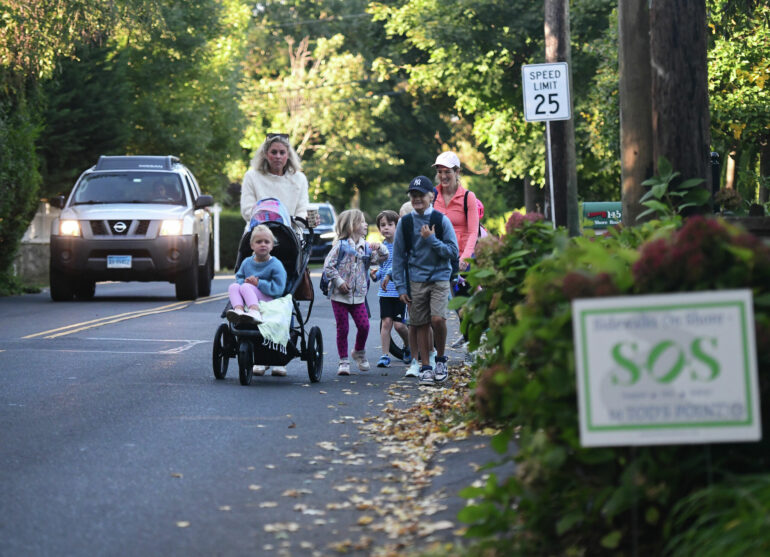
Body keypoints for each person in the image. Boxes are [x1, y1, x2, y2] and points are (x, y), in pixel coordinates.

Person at [391, 176, 458, 386]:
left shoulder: (441, 220)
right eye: (413, 195)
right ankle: (426, 367)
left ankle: (440, 360)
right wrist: (401, 286)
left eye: (421, 195)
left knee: (437, 319)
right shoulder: (406, 222)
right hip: (416, 280)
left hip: (439, 277)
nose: (417, 198)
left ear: (431, 196)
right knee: (419, 323)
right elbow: (398, 256)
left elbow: (453, 252)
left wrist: (432, 240)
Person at [323, 209, 388, 376]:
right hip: (339, 296)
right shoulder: (340, 246)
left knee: (364, 326)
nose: (366, 224)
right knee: (342, 328)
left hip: (359, 295)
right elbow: (328, 266)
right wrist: (338, 282)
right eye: (362, 222)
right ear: (352, 226)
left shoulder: (365, 247)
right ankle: (343, 360)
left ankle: (358, 352)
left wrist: (381, 248)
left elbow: (380, 259)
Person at [226, 225, 288, 376]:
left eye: (267, 242)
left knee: (246, 287)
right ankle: (239, 310)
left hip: (268, 298)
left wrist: (258, 283)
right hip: (248, 295)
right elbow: (239, 276)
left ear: (272, 246)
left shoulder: (276, 264)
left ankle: (254, 312)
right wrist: (244, 282)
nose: (263, 244)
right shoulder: (247, 262)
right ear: (252, 245)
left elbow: (279, 288)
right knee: (234, 286)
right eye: (259, 241)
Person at [240, 133, 311, 228]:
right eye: (274, 152)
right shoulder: (251, 177)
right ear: (265, 154)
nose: (278, 156)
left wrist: (306, 220)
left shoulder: (300, 179)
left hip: (290, 237)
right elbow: (247, 211)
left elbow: (302, 211)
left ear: (288, 155)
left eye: (282, 152)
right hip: (258, 234)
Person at [431, 151, 480, 282]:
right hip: (438, 258)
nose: (443, 176)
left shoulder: (468, 197)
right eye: (440, 172)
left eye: (447, 171)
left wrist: (465, 258)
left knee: (463, 300)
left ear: (457, 172)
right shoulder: (432, 195)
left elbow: (473, 231)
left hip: (461, 257)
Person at [370, 210, 410, 368]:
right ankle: (385, 355)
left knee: (399, 325)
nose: (386, 228)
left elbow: (400, 266)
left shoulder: (403, 245)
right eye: (382, 225)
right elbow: (383, 267)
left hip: (401, 291)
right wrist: (375, 275)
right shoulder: (381, 248)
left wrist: (387, 274)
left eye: (389, 224)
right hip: (385, 292)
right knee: (386, 323)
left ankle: (407, 346)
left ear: (397, 225)